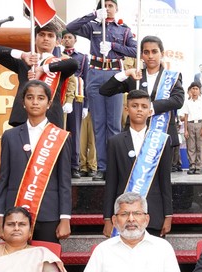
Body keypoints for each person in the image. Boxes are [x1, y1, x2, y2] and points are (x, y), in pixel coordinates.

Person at [66, 0, 138, 181]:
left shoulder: (124, 30)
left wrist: (114, 47)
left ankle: (113, 167)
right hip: (96, 73)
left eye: (111, 5)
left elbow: (135, 50)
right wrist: (93, 15)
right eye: (104, 6)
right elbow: (70, 27)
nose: (107, 8)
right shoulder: (93, 26)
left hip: (114, 74)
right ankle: (102, 167)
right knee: (98, 124)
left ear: (116, 8)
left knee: (113, 125)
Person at [0, 80, 72, 244]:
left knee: (47, 258)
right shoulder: (10, 136)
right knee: (16, 259)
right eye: (30, 97)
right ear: (23, 102)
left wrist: (65, 217)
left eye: (40, 98)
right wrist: (0, 216)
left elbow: (64, 181)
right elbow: (4, 180)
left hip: (48, 213)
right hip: (15, 213)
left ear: (49, 103)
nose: (35, 102)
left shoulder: (60, 136)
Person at [99, 35, 184, 176]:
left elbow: (178, 100)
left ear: (162, 53)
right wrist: (126, 73)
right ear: (141, 55)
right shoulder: (135, 77)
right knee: (131, 176)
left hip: (162, 134)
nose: (150, 56)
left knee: (160, 179)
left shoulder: (172, 76)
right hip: (134, 134)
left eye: (154, 51)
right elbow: (105, 90)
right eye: (146, 52)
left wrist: (149, 108)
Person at [103, 90, 173, 238]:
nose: (139, 109)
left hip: (153, 214)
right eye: (134, 106)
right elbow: (111, 183)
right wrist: (108, 218)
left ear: (150, 111)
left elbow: (165, 181)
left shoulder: (161, 140)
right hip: (123, 216)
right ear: (126, 109)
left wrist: (168, 215)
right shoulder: (115, 142)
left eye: (144, 106)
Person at [0, 22, 79, 127]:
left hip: (51, 121)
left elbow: (74, 64)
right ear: (34, 39)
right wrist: (22, 54)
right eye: (42, 34)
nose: (46, 38)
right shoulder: (24, 62)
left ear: (57, 42)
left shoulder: (59, 64)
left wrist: (43, 69)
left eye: (50, 36)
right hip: (23, 119)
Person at [61, 30, 90, 178]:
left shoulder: (82, 57)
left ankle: (74, 166)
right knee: (60, 130)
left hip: (77, 98)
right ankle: (61, 165)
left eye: (69, 37)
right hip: (61, 95)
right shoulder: (57, 56)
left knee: (75, 131)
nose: (67, 40)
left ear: (75, 40)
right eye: (64, 37)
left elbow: (87, 80)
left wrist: (86, 105)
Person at [181, 81, 202, 174]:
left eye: (196, 89)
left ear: (200, 90)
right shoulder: (187, 102)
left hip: (200, 124)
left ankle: (199, 166)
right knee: (191, 146)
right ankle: (192, 165)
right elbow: (185, 116)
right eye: (193, 88)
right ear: (190, 90)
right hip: (190, 124)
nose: (194, 90)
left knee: (200, 146)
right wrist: (185, 130)